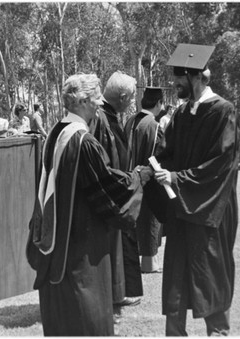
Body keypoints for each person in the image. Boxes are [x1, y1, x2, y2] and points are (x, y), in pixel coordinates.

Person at [26, 73, 150, 336]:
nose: (98, 104)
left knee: (62, 315)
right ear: (82, 101)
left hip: (57, 239)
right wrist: (138, 177)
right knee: (85, 313)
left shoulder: (56, 133)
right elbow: (107, 186)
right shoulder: (83, 141)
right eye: (95, 99)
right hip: (82, 245)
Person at [149, 43, 240, 336]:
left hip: (210, 209)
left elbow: (221, 163)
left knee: (210, 279)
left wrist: (176, 178)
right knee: (176, 283)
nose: (175, 83)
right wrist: (153, 167)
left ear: (199, 77)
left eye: (181, 78)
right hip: (182, 209)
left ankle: (218, 332)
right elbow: (168, 152)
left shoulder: (223, 112)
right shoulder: (180, 114)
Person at [91, 70, 143, 309]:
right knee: (112, 245)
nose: (133, 102)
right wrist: (128, 180)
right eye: (131, 97)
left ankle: (119, 292)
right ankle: (114, 294)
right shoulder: (99, 118)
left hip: (119, 188)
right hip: (109, 193)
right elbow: (99, 163)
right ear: (122, 97)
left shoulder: (109, 115)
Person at [124, 87, 165, 274]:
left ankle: (136, 260)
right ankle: (149, 264)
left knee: (134, 220)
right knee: (149, 219)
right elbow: (160, 155)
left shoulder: (129, 121)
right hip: (148, 179)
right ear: (158, 103)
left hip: (128, 178)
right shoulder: (154, 126)